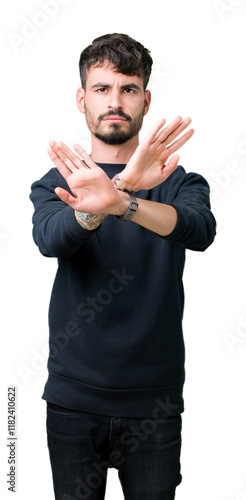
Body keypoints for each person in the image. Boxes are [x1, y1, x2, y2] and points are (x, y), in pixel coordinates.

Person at [30, 33, 216, 500]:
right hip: (73, 402)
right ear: (82, 98)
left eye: (128, 89)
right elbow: (52, 240)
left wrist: (125, 197)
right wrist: (115, 195)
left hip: (153, 404)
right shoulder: (56, 183)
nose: (115, 101)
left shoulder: (181, 183)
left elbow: (198, 230)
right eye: (102, 88)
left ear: (146, 99)